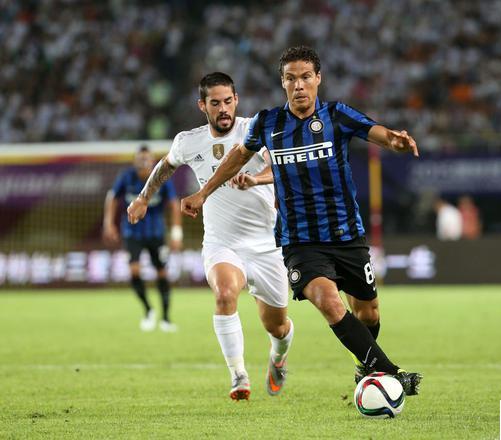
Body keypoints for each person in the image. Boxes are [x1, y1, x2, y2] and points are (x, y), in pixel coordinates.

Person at [180, 46, 422, 396]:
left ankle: (365, 367)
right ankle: (391, 374)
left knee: (368, 313)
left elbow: (377, 132)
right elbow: (237, 157)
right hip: (300, 241)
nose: (299, 85)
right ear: (283, 83)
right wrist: (203, 193)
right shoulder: (268, 123)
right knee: (328, 301)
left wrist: (395, 142)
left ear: (318, 79)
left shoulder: (337, 115)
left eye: (306, 77)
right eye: (291, 78)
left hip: (345, 234)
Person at [126, 72, 294, 401]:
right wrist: (144, 197)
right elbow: (165, 166)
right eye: (215, 103)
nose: (223, 109)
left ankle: (279, 354)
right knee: (225, 294)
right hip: (222, 243)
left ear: (237, 100)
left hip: (266, 244)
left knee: (277, 326)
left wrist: (255, 179)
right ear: (202, 105)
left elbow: (279, 167)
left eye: (228, 101)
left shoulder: (254, 130)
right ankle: (238, 375)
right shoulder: (189, 141)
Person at [103, 145, 181, 332]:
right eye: (140, 159)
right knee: (134, 271)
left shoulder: (161, 177)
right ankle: (148, 310)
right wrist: (108, 223)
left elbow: (174, 204)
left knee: (162, 273)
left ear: (152, 161)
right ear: (135, 161)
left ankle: (166, 318)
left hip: (156, 233)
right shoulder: (126, 177)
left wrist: (176, 233)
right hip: (132, 233)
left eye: (146, 159)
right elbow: (112, 197)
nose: (143, 162)